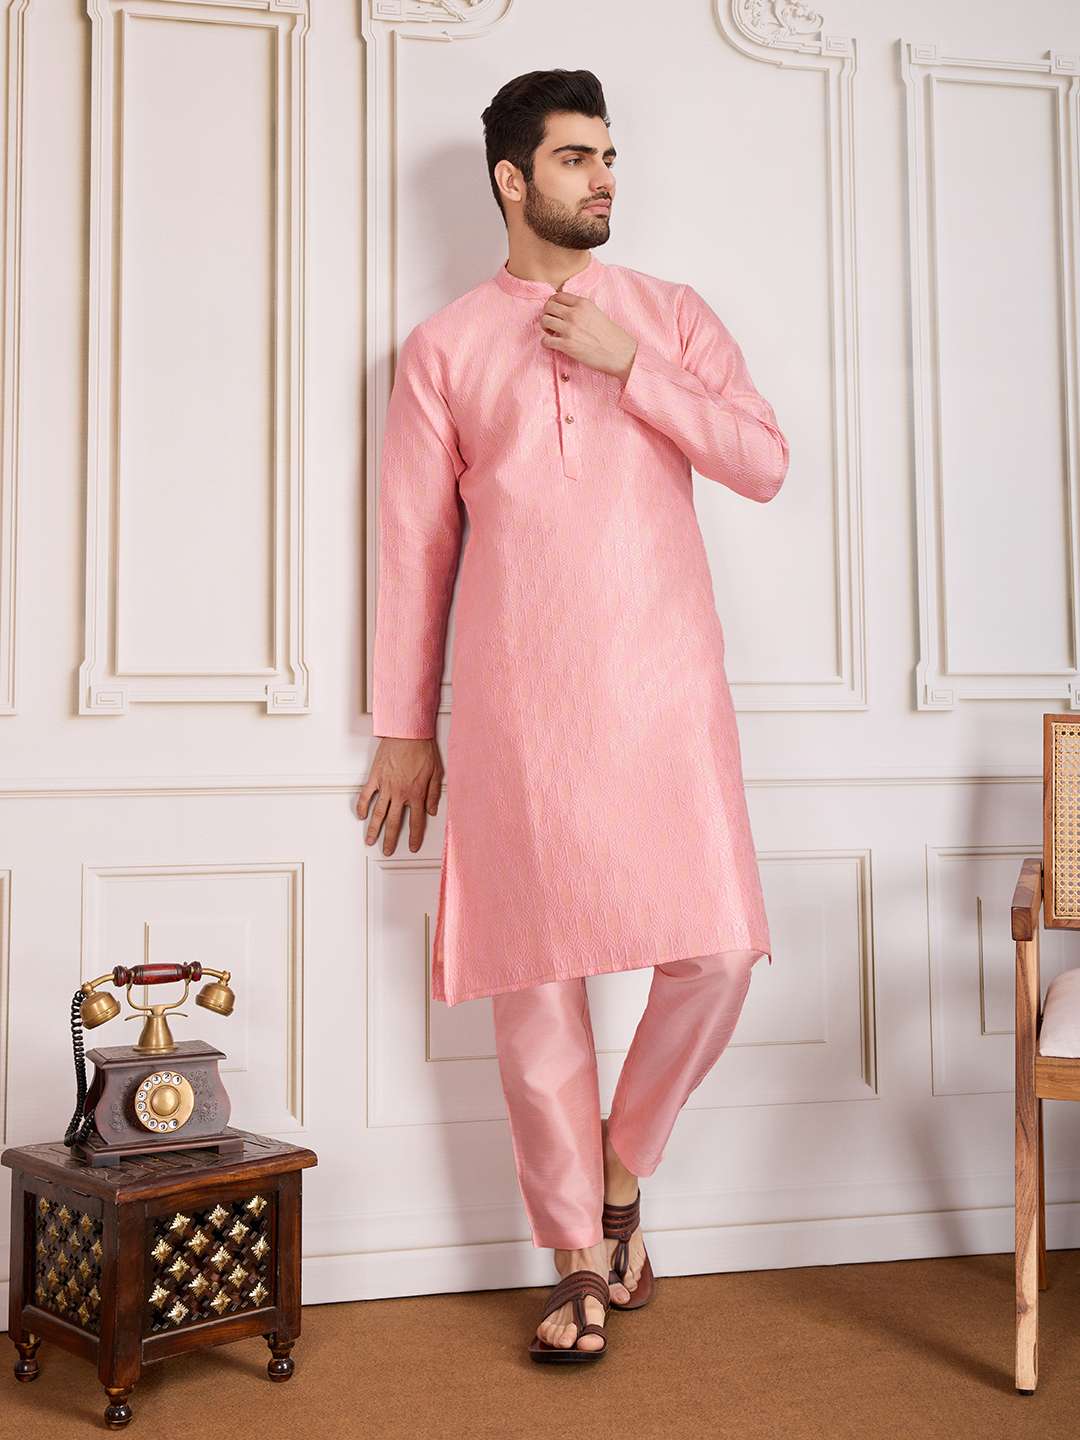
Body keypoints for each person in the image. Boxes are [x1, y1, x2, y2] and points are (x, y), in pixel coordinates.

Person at [357, 68, 789, 1362]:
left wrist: (632, 364)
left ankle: (618, 1171)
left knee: (718, 954)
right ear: (512, 178)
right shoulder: (443, 349)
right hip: (517, 707)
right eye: (576, 158)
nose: (605, 178)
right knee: (535, 980)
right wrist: (404, 728)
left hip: (666, 691)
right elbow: (413, 549)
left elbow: (762, 461)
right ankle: (579, 1262)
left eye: (609, 156)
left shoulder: (670, 315)